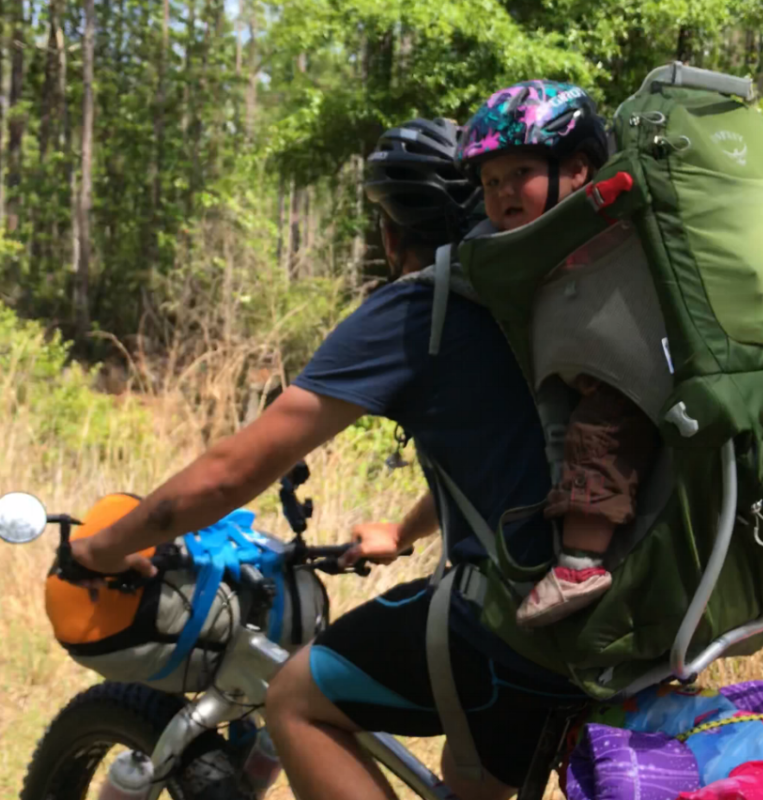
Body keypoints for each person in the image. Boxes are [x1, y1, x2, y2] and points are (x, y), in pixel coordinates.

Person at [68, 115, 586, 800]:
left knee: (293, 697)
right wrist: (403, 531)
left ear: (392, 229)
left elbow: (234, 469)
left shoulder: (416, 312)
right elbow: (515, 453)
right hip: (597, 615)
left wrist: (104, 549)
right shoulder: (533, 298)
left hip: (508, 627)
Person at [455, 79, 659, 627]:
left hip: (626, 379)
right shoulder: (537, 244)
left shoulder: (607, 222)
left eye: (520, 173)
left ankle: (580, 562)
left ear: (576, 170)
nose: (501, 192)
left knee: (600, 433)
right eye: (491, 181)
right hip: (593, 369)